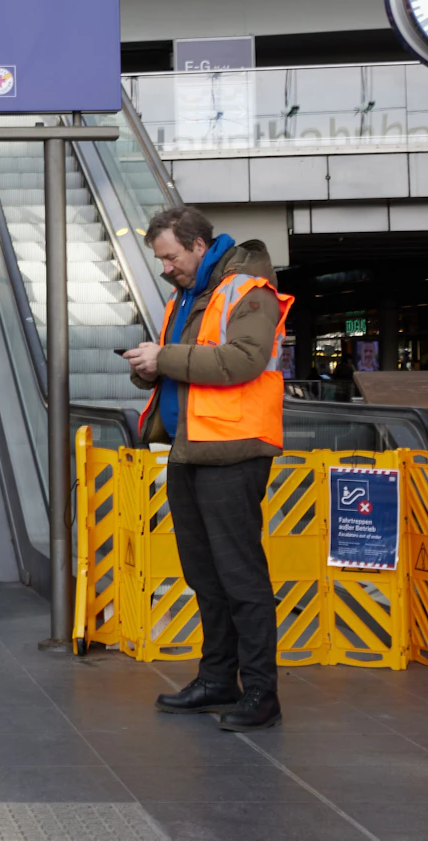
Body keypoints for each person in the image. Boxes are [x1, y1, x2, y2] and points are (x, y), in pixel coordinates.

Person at [122, 206, 293, 734]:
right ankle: (219, 678)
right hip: (189, 450)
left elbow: (243, 360)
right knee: (205, 577)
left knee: (240, 576)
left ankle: (262, 692)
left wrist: (166, 358)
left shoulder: (250, 291)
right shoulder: (188, 296)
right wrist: (148, 367)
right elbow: (182, 364)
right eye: (160, 259)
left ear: (199, 246)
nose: (165, 268)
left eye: (170, 256)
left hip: (234, 451)